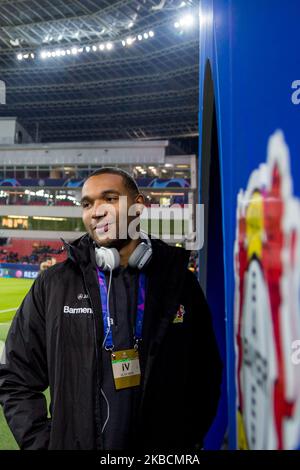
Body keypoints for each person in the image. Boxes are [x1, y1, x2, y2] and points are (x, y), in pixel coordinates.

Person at [0, 167, 222, 450]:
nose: (96, 211)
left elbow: (206, 374)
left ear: (138, 207)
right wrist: (44, 445)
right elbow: (15, 376)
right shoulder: (54, 285)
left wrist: (182, 442)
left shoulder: (180, 284)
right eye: (87, 204)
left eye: (110, 198)